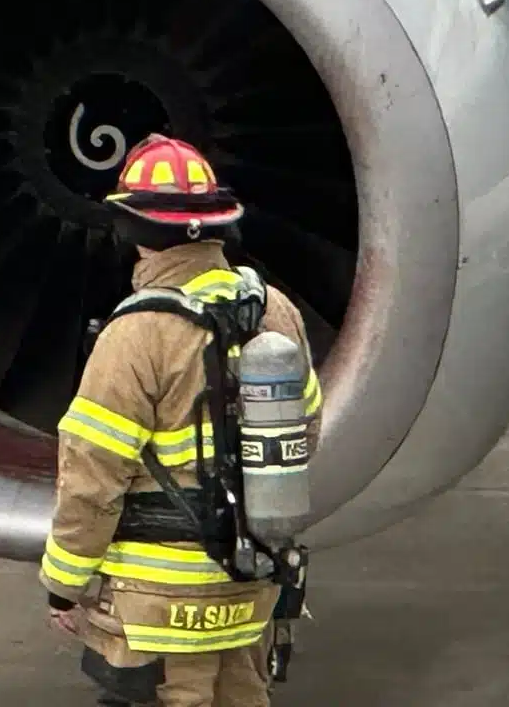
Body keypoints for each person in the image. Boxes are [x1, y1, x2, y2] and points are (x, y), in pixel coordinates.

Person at [39, 134, 323, 707]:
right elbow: (305, 432)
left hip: (158, 607)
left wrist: (63, 585)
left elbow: (93, 475)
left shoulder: (136, 334)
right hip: (247, 590)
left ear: (134, 230)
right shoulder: (274, 310)